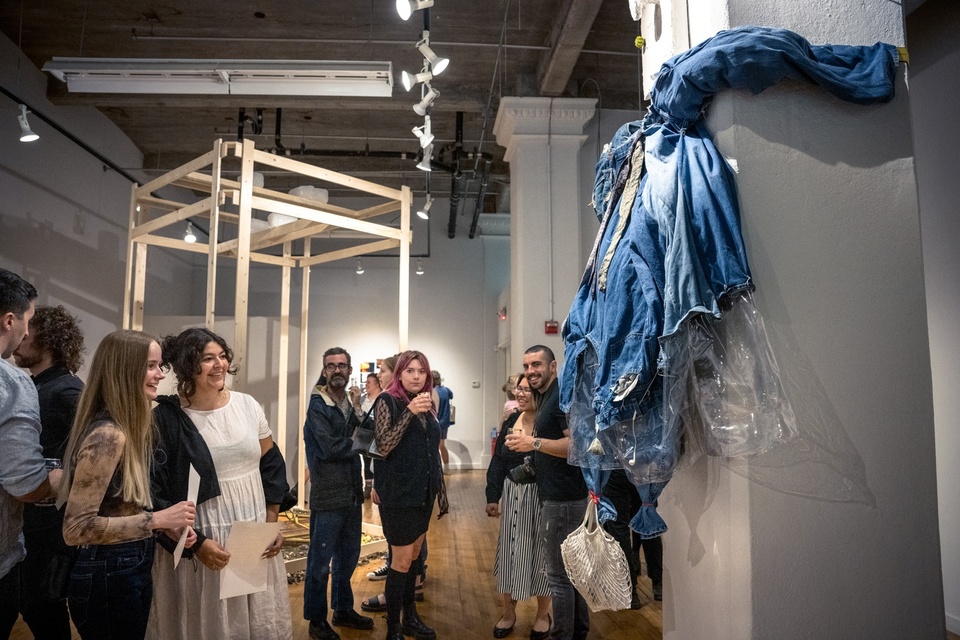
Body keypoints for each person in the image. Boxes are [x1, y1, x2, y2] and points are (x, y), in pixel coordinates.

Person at [146, 328, 290, 640]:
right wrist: (197, 545)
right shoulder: (168, 418)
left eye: (222, 356)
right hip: (204, 539)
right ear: (188, 366)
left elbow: (272, 464)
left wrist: (272, 522)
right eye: (208, 359)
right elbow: (155, 492)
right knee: (209, 623)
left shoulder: (247, 405)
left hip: (251, 534)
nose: (219, 365)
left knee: (254, 623)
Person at [59, 329, 196, 640]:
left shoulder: (127, 428)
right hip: (107, 573)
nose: (160, 375)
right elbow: (76, 528)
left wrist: (162, 527)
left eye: (160, 366)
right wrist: (158, 519)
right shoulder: (108, 435)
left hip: (123, 567)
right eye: (150, 366)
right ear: (124, 370)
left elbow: (118, 508)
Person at [10, 305, 85, 638]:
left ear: (50, 339)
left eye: (31, 332)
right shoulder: (41, 386)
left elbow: (96, 458)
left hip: (51, 528)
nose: (23, 337)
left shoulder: (66, 391)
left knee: (44, 607)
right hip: (37, 524)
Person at [506, 345, 589, 640]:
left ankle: (562, 635)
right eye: (527, 366)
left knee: (558, 577)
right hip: (559, 496)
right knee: (571, 573)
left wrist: (534, 443)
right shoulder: (548, 397)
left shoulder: (559, 400)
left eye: (537, 364)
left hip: (564, 500)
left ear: (553, 366)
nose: (531, 371)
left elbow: (576, 447)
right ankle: (577, 631)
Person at [0, 269, 63, 638]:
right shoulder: (11, 382)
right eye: (28, 320)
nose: (26, 332)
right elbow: (26, 485)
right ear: (10, 320)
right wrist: (70, 476)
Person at [371, 350, 448, 640]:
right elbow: (385, 445)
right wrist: (410, 412)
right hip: (399, 495)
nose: (416, 376)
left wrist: (440, 491)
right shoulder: (387, 401)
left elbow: (430, 452)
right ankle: (393, 628)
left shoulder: (428, 406)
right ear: (399, 374)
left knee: (415, 559)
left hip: (422, 494)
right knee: (400, 562)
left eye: (422, 372)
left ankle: (410, 618)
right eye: (410, 371)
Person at [302, 347, 375, 640]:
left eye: (342, 365)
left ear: (348, 371)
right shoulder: (317, 405)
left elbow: (370, 434)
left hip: (351, 493)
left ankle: (343, 609)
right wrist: (358, 442)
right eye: (331, 366)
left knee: (348, 556)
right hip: (328, 494)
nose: (337, 370)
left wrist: (358, 410)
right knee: (319, 562)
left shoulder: (348, 403)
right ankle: (316, 619)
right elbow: (329, 447)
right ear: (324, 370)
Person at [485, 373, 551, 640]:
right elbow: (498, 461)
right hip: (513, 493)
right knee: (510, 553)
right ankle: (508, 613)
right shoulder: (512, 420)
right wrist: (492, 496)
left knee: (542, 554)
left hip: (542, 496)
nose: (521, 394)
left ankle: (542, 615)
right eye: (518, 389)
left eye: (527, 389)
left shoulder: (549, 422)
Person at [601, 469, 663, 608]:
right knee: (647, 519)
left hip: (616, 466)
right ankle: (658, 582)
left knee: (619, 529)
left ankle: (629, 589)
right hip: (644, 465)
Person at [361, 372, 382, 499]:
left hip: (379, 436)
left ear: (377, 384)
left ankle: (378, 487)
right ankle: (367, 487)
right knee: (366, 460)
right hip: (366, 435)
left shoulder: (383, 398)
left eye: (369, 382)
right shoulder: (363, 399)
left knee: (378, 461)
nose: (366, 385)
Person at [432, 371, 454, 474]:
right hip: (445, 422)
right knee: (442, 445)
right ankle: (446, 468)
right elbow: (451, 396)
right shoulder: (446, 390)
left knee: (434, 447)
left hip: (435, 422)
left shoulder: (432, 392)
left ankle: (436, 469)